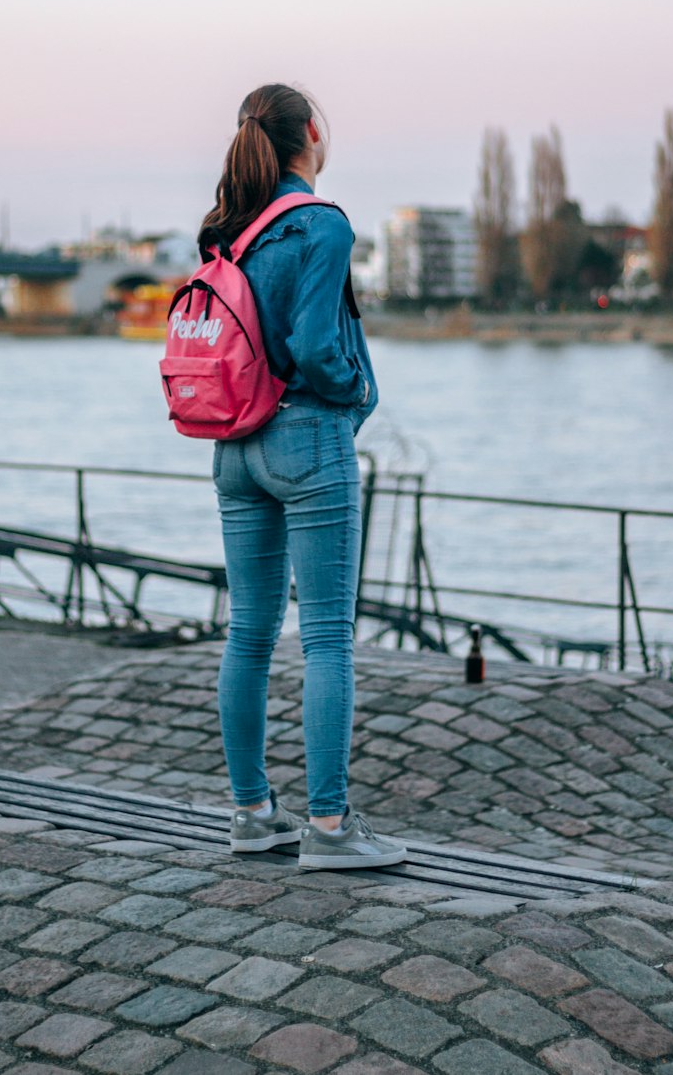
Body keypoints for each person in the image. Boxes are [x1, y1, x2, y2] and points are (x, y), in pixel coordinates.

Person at [199, 83, 406, 870]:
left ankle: (253, 814)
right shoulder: (322, 224)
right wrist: (356, 392)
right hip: (307, 440)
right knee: (326, 636)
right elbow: (318, 343)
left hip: (234, 444)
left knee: (248, 632)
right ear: (312, 133)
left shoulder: (230, 230)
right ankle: (328, 829)